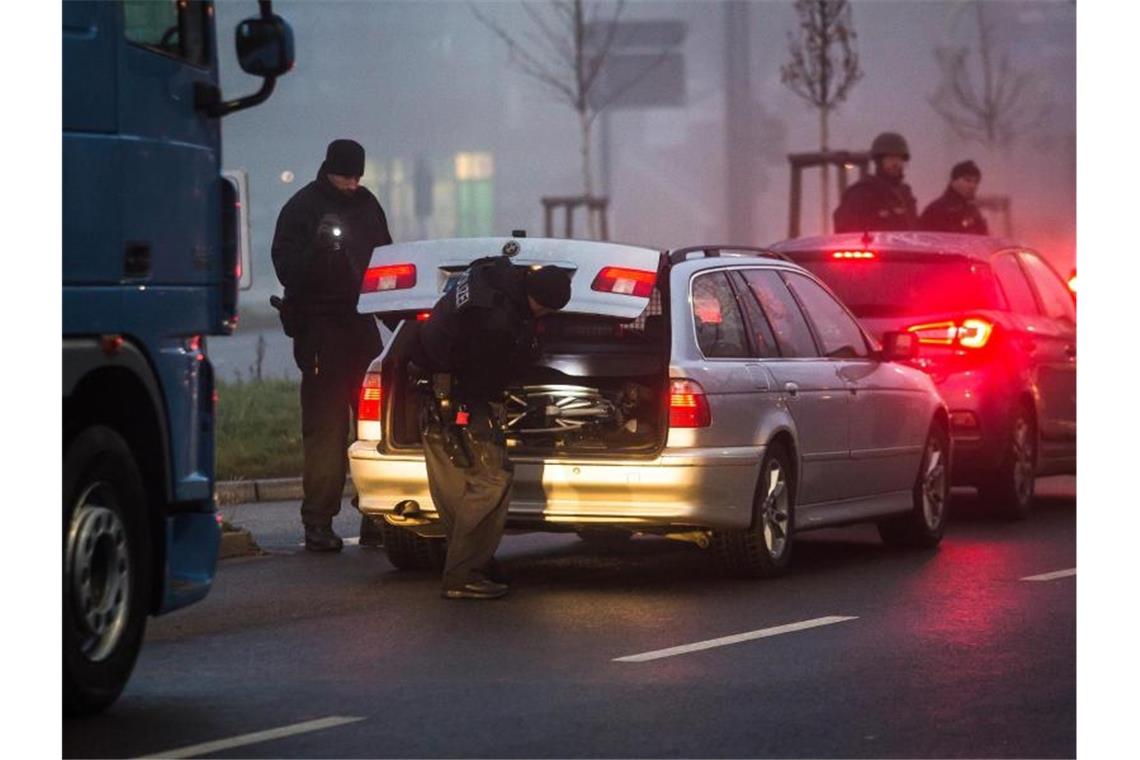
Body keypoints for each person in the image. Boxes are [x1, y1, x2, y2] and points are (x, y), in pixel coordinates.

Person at [410, 255, 572, 599]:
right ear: (541, 303)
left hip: (431, 393)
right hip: (463, 401)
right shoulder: (497, 321)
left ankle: (472, 562)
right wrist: (477, 415)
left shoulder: (494, 275)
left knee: (455, 486)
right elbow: (480, 376)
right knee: (492, 478)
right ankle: (464, 573)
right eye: (545, 312)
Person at [271, 139, 392, 552]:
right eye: (345, 176)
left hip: (361, 326)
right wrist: (317, 250)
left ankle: (376, 514)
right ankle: (318, 522)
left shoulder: (367, 204)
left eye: (358, 177)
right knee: (326, 430)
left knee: (375, 427)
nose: (352, 184)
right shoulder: (302, 209)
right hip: (320, 330)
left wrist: (397, 312)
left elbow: (384, 261)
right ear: (328, 170)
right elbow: (288, 271)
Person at [833, 131, 919, 233]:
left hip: (904, 248)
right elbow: (847, 233)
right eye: (891, 159)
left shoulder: (905, 195)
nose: (896, 164)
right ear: (879, 161)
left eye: (899, 159)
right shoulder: (861, 194)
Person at [919, 160, 990, 235]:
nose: (973, 186)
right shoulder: (936, 210)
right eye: (967, 180)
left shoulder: (972, 211)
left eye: (976, 182)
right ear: (953, 181)